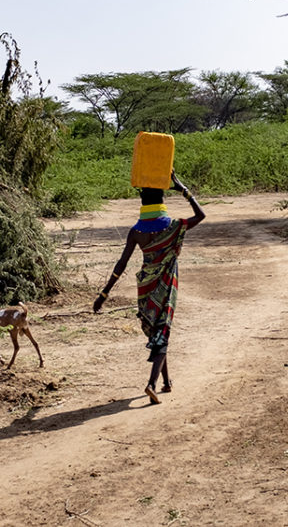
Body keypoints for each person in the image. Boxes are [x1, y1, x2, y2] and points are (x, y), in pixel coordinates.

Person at [93, 170, 205, 404]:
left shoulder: (136, 231)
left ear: (142, 203)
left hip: (145, 288)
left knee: (158, 334)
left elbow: (121, 264)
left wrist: (104, 294)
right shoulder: (173, 226)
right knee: (162, 334)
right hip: (165, 287)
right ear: (162, 201)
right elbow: (200, 215)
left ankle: (166, 381)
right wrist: (183, 189)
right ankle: (151, 384)